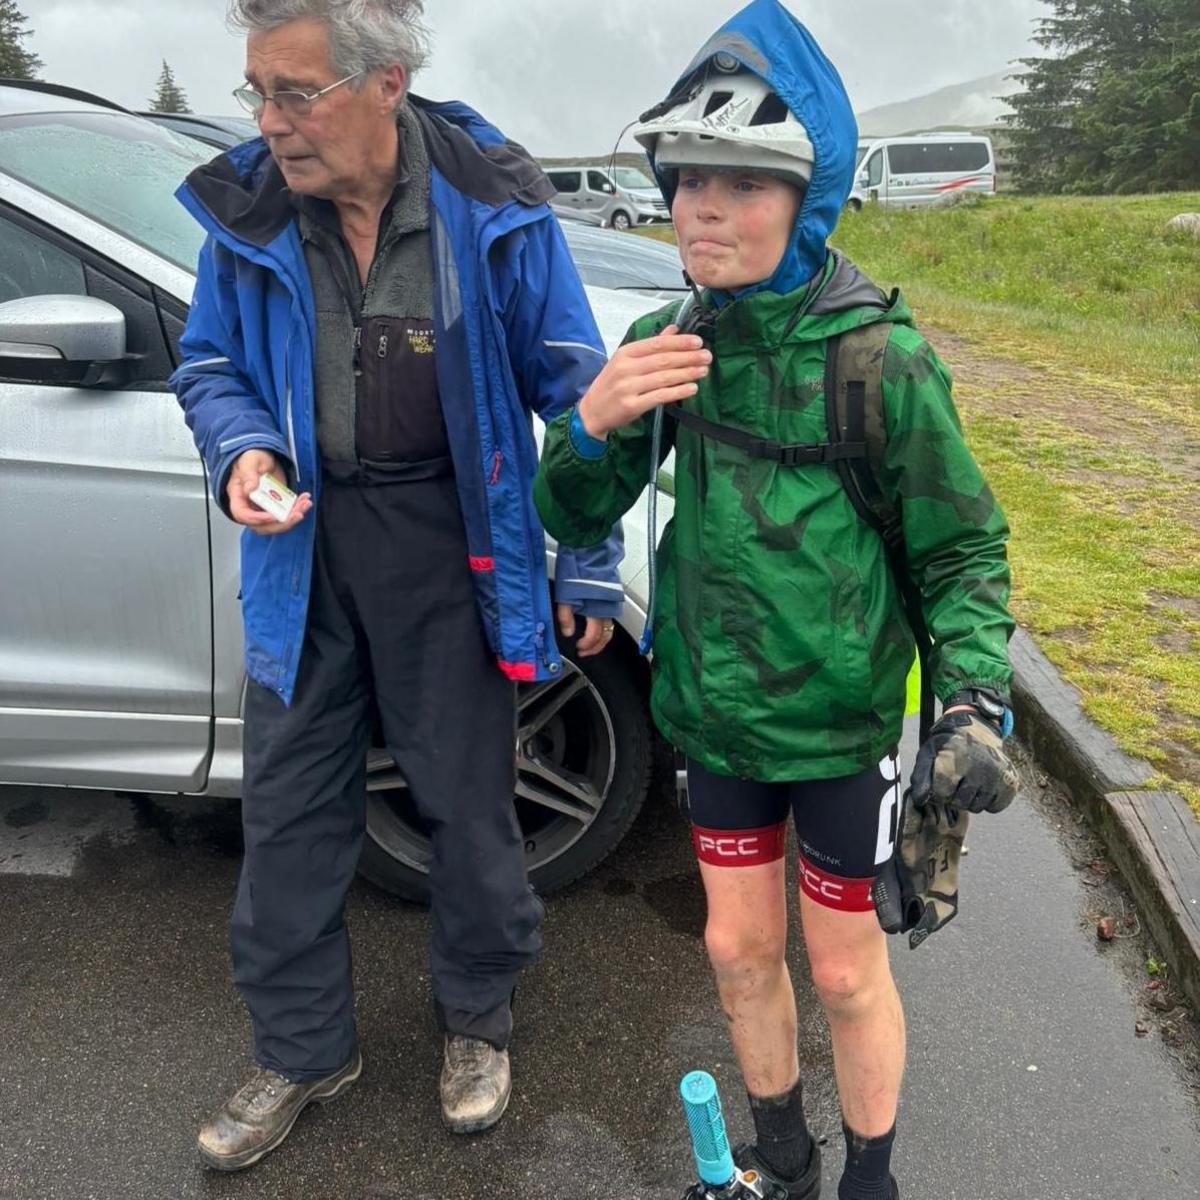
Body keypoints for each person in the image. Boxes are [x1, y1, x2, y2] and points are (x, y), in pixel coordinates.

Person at [533, 2, 1018, 1198]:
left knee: (846, 973)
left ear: (813, 197)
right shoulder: (666, 341)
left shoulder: (879, 362)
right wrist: (594, 423)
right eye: (688, 177)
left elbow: (963, 551)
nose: (703, 206)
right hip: (716, 719)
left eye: (743, 184)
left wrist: (971, 696)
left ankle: (872, 1179)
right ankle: (784, 1157)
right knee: (737, 949)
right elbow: (572, 515)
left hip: (843, 729)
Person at [171, 0, 623, 1171]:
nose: (270, 122)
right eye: (256, 91)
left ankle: (476, 1020)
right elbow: (210, 360)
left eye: (294, 92)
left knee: (467, 803)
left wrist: (586, 560)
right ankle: (303, 1047)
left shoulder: (492, 204)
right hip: (302, 549)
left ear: (386, 83)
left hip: (450, 539)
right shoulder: (249, 211)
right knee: (287, 817)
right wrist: (243, 454)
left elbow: (577, 391)